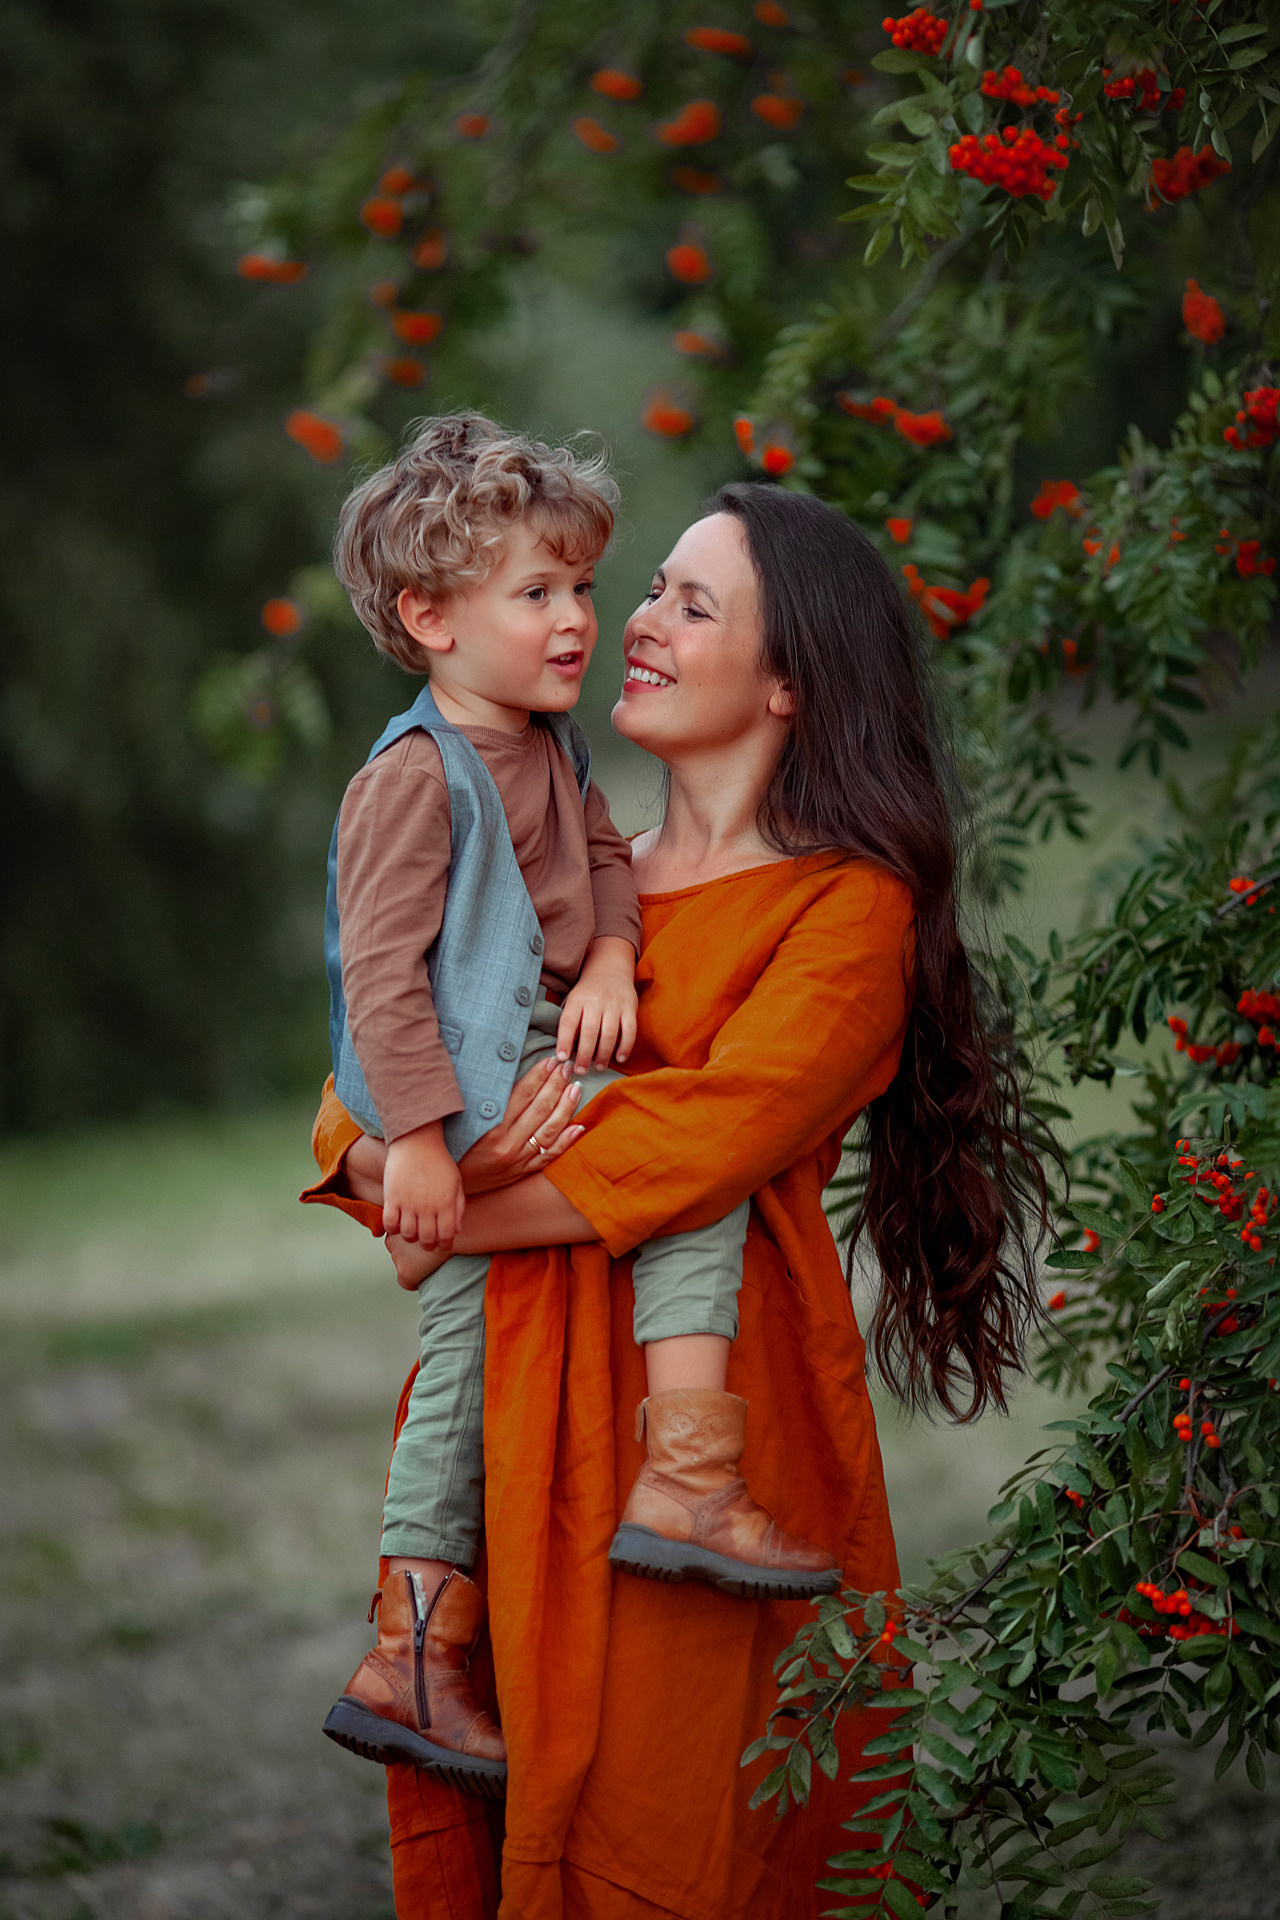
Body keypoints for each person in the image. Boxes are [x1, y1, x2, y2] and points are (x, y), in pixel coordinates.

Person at [304, 482, 1048, 1919]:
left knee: (679, 1837)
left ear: (789, 679)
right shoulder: (555, 871)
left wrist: (431, 1203)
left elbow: (692, 1142)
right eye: (648, 588)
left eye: (687, 604)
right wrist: (393, 1165)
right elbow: (356, 1079)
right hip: (503, 1428)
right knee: (511, 1813)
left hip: (704, 1449)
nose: (625, 620)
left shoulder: (847, 907)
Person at [318, 418, 840, 1799]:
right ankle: (453, 1613)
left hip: (540, 1078)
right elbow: (374, 980)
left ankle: (455, 1619)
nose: (581, 623)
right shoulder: (415, 777)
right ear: (428, 618)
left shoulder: (550, 755)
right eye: (537, 594)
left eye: (581, 590)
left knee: (496, 1321)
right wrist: (418, 1149)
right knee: (503, 1322)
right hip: (473, 1089)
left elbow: (604, 861)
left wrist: (614, 951)